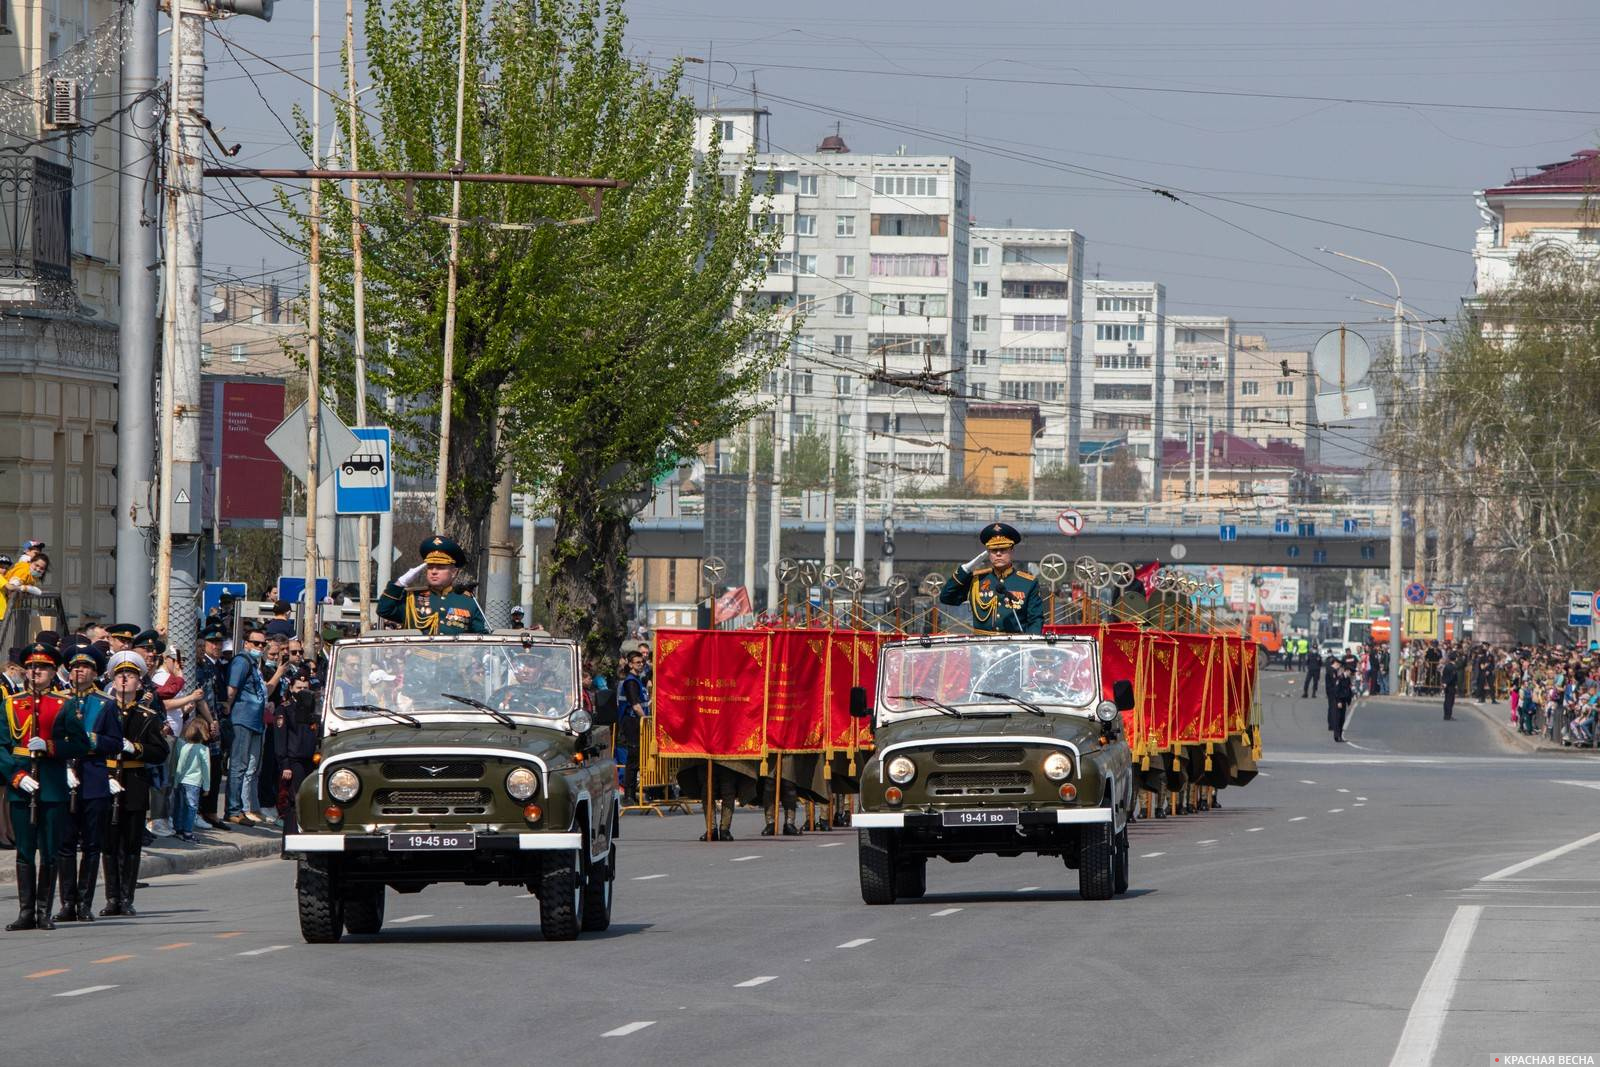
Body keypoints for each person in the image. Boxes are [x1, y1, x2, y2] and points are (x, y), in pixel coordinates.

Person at [2, 642, 90, 931]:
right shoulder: (10, 704)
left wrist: (51, 746)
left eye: (41, 667)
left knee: (49, 850)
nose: (34, 671)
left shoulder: (65, 705)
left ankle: (43, 911)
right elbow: (2, 747)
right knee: (24, 850)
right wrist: (16, 776)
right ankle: (26, 912)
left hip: (51, 785)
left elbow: (80, 744)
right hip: (21, 784)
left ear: (53, 672)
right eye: (30, 667)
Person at [53, 645, 123, 922]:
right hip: (64, 774)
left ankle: (84, 902)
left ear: (94, 673)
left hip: (93, 775)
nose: (77, 671)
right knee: (65, 844)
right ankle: (67, 903)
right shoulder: (60, 701)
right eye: (73, 667)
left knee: (92, 844)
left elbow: (116, 743)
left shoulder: (105, 703)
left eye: (83, 667)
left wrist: (93, 740)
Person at [100, 651, 170, 917]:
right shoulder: (102, 710)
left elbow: (160, 751)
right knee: (109, 842)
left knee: (130, 843)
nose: (124, 679)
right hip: (106, 780)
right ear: (112, 679)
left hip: (134, 780)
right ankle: (111, 898)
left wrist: (136, 748)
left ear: (139, 683)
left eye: (130, 675)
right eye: (119, 674)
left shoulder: (147, 716)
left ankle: (126, 898)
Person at [937, 522, 1044, 634]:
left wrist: (1029, 646)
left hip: (1015, 646)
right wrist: (965, 570)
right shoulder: (976, 580)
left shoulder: (1027, 583)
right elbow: (946, 597)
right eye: (993, 550)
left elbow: (1035, 620)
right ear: (988, 553)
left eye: (1003, 549)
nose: (998, 554)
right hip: (982, 647)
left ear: (1012, 550)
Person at [376, 535, 488, 634]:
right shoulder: (412, 598)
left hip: (455, 657)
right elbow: (384, 610)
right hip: (418, 658)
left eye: (440, 567)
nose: (434, 571)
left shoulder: (467, 601)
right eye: (430, 567)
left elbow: (480, 636)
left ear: (454, 572)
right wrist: (400, 583)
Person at [224, 627, 270, 826]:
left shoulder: (254, 663)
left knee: (249, 767)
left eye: (262, 643)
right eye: (256, 643)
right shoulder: (242, 661)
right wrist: (226, 708)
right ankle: (233, 810)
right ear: (246, 643)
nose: (259, 647)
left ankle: (240, 808)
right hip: (242, 719)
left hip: (255, 721)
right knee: (238, 766)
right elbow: (231, 690)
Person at [273, 677, 320, 833]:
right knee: (295, 800)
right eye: (299, 688)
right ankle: (292, 840)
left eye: (305, 687)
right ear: (291, 688)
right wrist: (285, 764)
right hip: (295, 761)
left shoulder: (314, 708)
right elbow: (281, 740)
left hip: (312, 760)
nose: (302, 691)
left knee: (312, 799)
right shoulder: (285, 709)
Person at [171, 719, 210, 842]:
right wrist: (207, 786)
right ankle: (188, 832)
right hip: (193, 783)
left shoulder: (183, 746)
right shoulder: (204, 749)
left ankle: (178, 829)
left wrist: (176, 782)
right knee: (191, 808)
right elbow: (206, 769)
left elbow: (180, 766)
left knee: (179, 806)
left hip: (181, 781)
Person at [1328, 663, 1353, 743]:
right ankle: (1336, 736)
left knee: (1342, 719)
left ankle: (1340, 736)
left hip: (1344, 701)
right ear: (1347, 671)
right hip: (1338, 701)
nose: (1351, 674)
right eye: (1350, 672)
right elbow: (1336, 691)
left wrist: (1349, 702)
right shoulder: (1340, 678)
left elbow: (1348, 691)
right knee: (1337, 719)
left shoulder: (1348, 679)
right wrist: (1338, 701)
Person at [1441, 652, 1459, 722]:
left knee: (1446, 700)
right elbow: (1452, 677)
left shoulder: (1447, 666)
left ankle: (1446, 715)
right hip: (1451, 685)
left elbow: (1444, 675)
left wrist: (1443, 682)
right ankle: (1448, 715)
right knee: (1450, 701)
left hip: (1446, 685)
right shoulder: (1453, 667)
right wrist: (1447, 683)